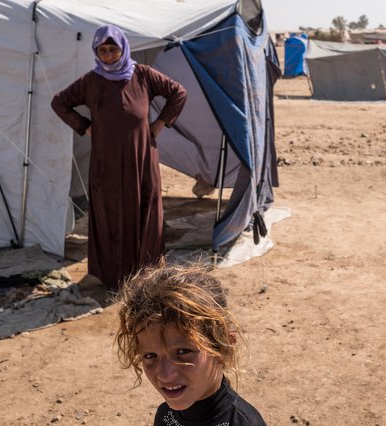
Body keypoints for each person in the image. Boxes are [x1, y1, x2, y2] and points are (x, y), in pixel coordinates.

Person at [51, 24, 187, 289]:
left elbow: (178, 93)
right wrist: (84, 126)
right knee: (108, 211)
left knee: (144, 209)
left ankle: (146, 274)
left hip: (141, 158)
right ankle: (110, 275)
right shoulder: (91, 81)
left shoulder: (143, 75)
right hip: (106, 161)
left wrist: (159, 124)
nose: (108, 55)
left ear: (123, 48)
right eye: (102, 50)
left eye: (113, 49)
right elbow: (59, 102)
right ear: (96, 52)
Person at [115, 262, 267, 425]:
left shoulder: (242, 423)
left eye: (182, 352)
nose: (165, 375)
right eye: (150, 356)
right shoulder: (166, 416)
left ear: (223, 346)